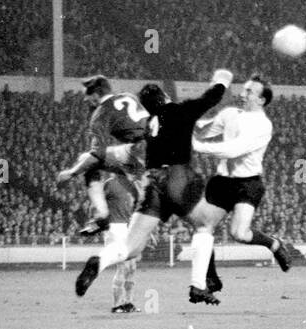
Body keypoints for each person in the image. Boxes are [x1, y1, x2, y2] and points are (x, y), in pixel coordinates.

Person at [74, 70, 232, 299]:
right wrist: (222, 80)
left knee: (130, 248)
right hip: (178, 178)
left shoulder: (149, 124)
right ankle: (199, 285)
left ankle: (99, 262)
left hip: (152, 184)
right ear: (165, 96)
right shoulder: (180, 110)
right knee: (205, 225)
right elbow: (211, 98)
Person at [185, 76, 291, 305]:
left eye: (250, 92)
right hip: (222, 181)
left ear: (261, 100)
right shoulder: (230, 114)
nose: (243, 94)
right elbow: (204, 130)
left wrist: (197, 147)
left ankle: (273, 244)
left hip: (247, 184)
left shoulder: (263, 125)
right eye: (244, 90)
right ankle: (206, 282)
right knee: (203, 227)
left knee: (239, 234)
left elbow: (234, 150)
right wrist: (188, 121)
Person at [56, 75, 149, 237]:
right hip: (158, 152)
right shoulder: (129, 97)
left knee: (86, 160)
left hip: (139, 152)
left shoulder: (101, 113)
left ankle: (102, 214)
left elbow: (97, 154)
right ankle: (136, 215)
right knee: (119, 183)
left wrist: (71, 173)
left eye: (87, 95)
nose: (85, 100)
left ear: (96, 94)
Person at [102, 173, 141, 312]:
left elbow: (131, 211)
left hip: (126, 228)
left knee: (132, 267)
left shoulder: (130, 186)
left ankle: (128, 303)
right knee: (123, 267)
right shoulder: (110, 183)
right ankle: (116, 305)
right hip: (115, 228)